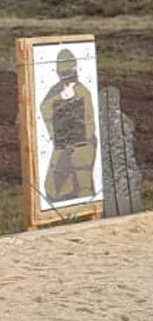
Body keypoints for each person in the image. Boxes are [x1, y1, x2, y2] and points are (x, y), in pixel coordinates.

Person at [39, 47, 98, 204]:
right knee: (52, 188)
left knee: (84, 185)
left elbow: (89, 124)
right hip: (64, 144)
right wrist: (61, 99)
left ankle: (86, 215)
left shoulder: (83, 91)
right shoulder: (56, 91)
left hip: (82, 145)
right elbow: (45, 107)